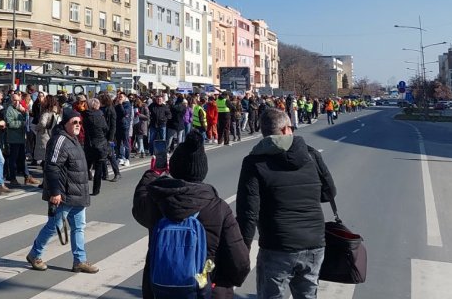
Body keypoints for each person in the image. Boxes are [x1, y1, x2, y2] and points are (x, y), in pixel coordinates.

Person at [132, 136, 250, 299]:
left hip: (160, 291)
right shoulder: (218, 208)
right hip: (206, 291)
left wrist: (153, 173)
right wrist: (220, 281)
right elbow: (240, 263)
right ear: (203, 170)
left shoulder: (157, 202)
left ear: (173, 168)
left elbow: (138, 205)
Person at [236, 107, 336, 299]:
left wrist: (242, 249)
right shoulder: (311, 155)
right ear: (284, 130)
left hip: (277, 245)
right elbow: (329, 193)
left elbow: (248, 213)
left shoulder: (254, 162)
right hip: (314, 242)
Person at [26, 109, 99, 274]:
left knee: (79, 227)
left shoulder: (73, 139)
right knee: (54, 226)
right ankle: (34, 254)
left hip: (78, 194)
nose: (78, 125)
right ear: (65, 123)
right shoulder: (59, 140)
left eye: (79, 123)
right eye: (74, 122)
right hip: (64, 195)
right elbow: (52, 167)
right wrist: (55, 192)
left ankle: (79, 261)